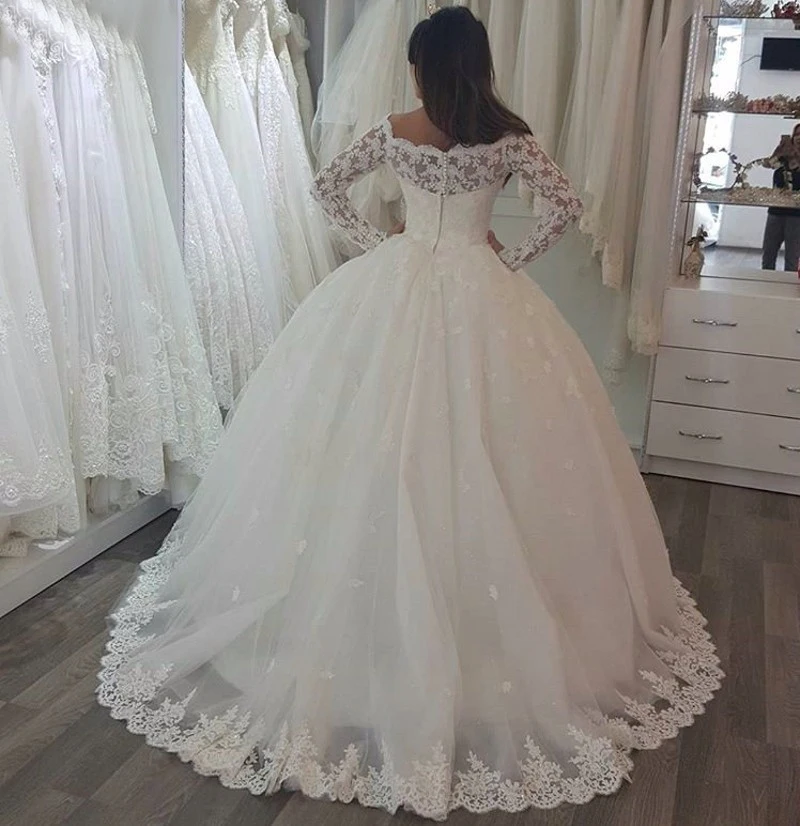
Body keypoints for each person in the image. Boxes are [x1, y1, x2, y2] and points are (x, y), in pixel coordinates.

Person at [98, 8, 721, 821]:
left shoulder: (396, 130)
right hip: (482, 289)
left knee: (368, 443)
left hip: (397, 282)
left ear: (425, 66)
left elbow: (325, 187)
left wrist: (380, 245)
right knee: (493, 450)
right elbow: (564, 205)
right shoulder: (508, 136)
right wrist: (508, 258)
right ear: (479, 64)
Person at [762, 123, 800, 271]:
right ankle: (766, 282)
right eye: (797, 134)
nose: (799, 138)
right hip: (776, 211)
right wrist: (779, 151)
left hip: (796, 215)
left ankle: (788, 285)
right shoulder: (783, 158)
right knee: (768, 254)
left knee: (792, 258)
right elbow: (767, 165)